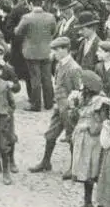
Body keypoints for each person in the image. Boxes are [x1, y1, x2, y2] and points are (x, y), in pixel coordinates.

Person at [29, 36, 82, 178]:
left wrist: (72, 109)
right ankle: (46, 162)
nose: (54, 53)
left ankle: (74, 168)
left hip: (69, 109)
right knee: (50, 135)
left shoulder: (74, 68)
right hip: (59, 107)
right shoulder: (59, 65)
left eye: (57, 50)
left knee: (72, 138)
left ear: (65, 50)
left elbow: (78, 91)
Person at [69, 70, 107, 207]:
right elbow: (74, 119)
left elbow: (104, 122)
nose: (79, 85)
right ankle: (87, 201)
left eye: (82, 83)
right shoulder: (82, 98)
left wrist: (89, 126)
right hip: (82, 139)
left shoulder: (101, 102)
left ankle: (101, 200)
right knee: (85, 170)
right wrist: (73, 107)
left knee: (94, 169)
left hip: (94, 141)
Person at [14, 0, 56, 112]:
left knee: (35, 79)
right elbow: (54, 31)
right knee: (47, 78)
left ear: (31, 4)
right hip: (46, 50)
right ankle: (49, 103)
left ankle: (36, 105)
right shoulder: (50, 17)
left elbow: (18, 32)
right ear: (42, 3)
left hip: (31, 52)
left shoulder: (27, 18)